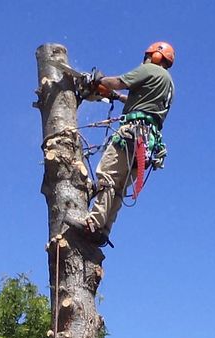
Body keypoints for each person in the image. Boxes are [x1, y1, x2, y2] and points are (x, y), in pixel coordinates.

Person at [67, 41, 175, 246]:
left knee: (108, 176)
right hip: (147, 143)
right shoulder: (168, 82)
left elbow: (119, 81)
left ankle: (92, 223)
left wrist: (99, 80)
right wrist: (115, 96)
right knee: (119, 188)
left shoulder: (149, 69)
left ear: (156, 56)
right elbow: (140, 100)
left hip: (132, 133)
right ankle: (103, 230)